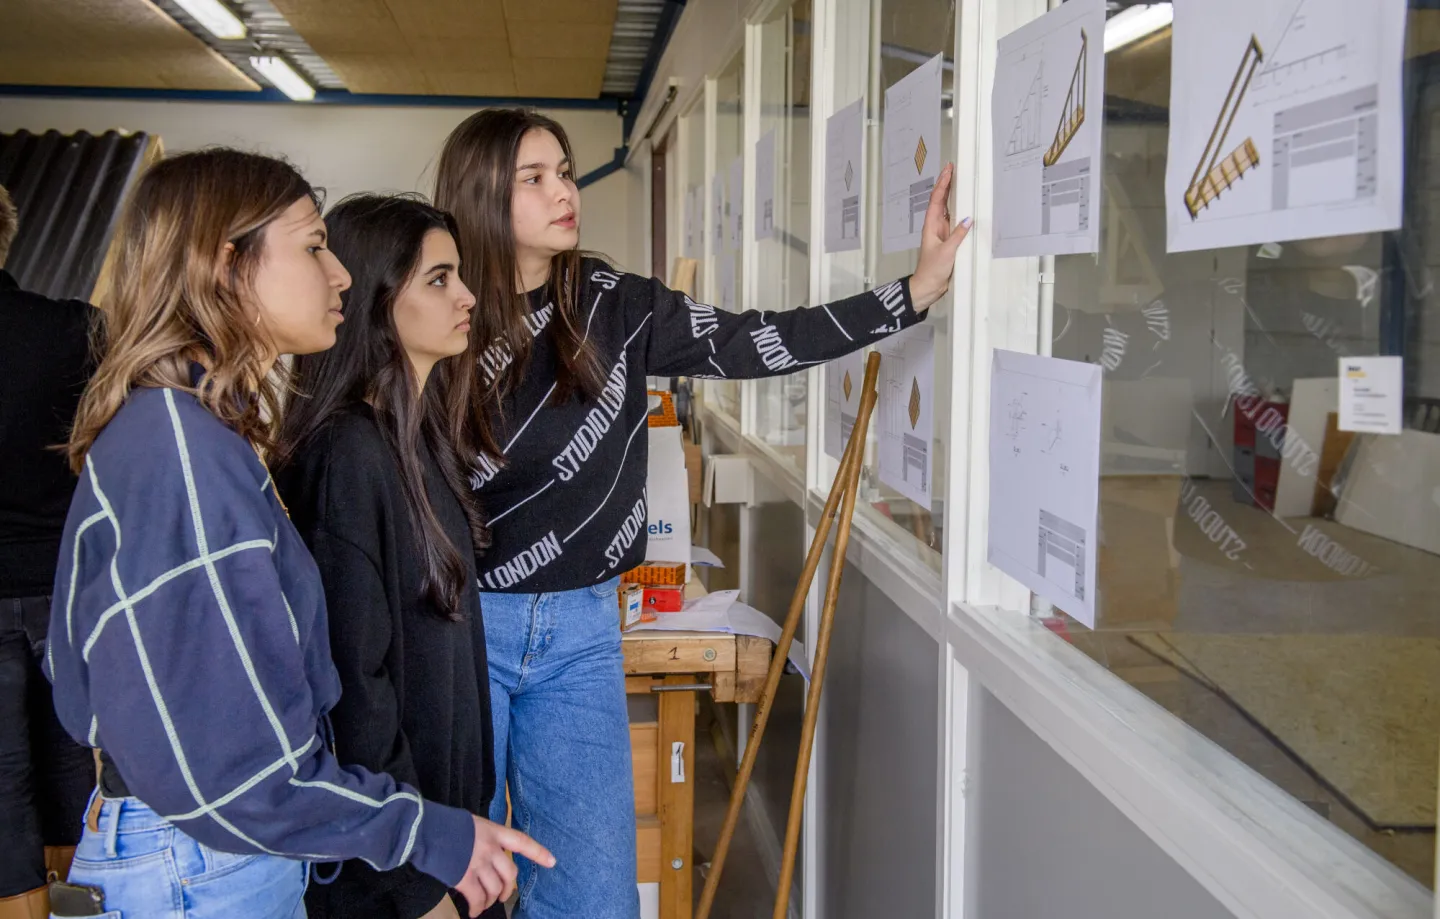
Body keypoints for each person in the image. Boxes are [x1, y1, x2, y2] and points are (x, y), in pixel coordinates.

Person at [433, 107, 971, 918]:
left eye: (567, 172)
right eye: (533, 179)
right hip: (461, 623)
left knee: (593, 893)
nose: (563, 192)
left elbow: (759, 338)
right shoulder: (443, 312)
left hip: (582, 628)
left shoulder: (616, 304)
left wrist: (914, 291)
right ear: (479, 197)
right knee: (452, 885)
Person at [45, 149, 553, 919]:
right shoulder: (177, 450)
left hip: (224, 857)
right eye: (313, 246)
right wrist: (419, 835)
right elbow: (242, 772)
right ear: (228, 264)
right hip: (201, 866)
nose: (339, 272)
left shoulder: (203, 437)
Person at [274, 194, 520, 919]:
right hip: (393, 867)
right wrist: (416, 877)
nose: (468, 296)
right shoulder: (347, 453)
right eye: (439, 279)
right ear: (381, 299)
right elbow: (353, 685)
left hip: (444, 837)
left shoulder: (419, 439)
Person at [0, 184, 99, 919]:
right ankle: (86, 903)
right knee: (77, 762)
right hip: (66, 589)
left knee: (1, 782)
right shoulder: (74, 330)